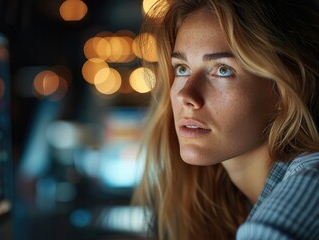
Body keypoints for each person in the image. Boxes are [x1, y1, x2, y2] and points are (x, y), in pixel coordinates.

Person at [132, 0, 319, 239]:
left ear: (285, 88)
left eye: (222, 70)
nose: (185, 95)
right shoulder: (220, 200)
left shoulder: (312, 181)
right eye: (182, 68)